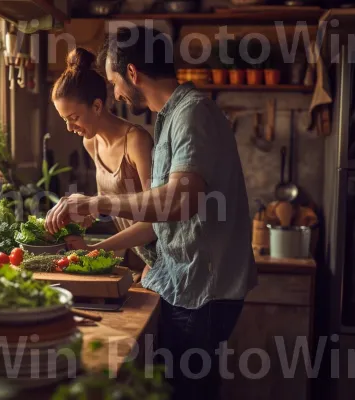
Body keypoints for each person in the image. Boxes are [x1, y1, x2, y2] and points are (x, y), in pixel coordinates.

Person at [45, 26, 257, 400]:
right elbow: (160, 218)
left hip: (204, 289)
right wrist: (101, 251)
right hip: (185, 284)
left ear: (132, 73)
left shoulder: (193, 113)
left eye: (113, 82)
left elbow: (179, 201)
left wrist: (97, 203)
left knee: (191, 393)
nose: (114, 93)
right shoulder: (169, 117)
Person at [51, 47, 157, 275]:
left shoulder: (136, 141)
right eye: (64, 120)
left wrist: (93, 249)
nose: (69, 128)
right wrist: (84, 214)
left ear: (97, 106)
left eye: (74, 118)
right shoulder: (91, 143)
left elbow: (155, 217)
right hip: (140, 255)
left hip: (163, 256)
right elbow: (109, 204)